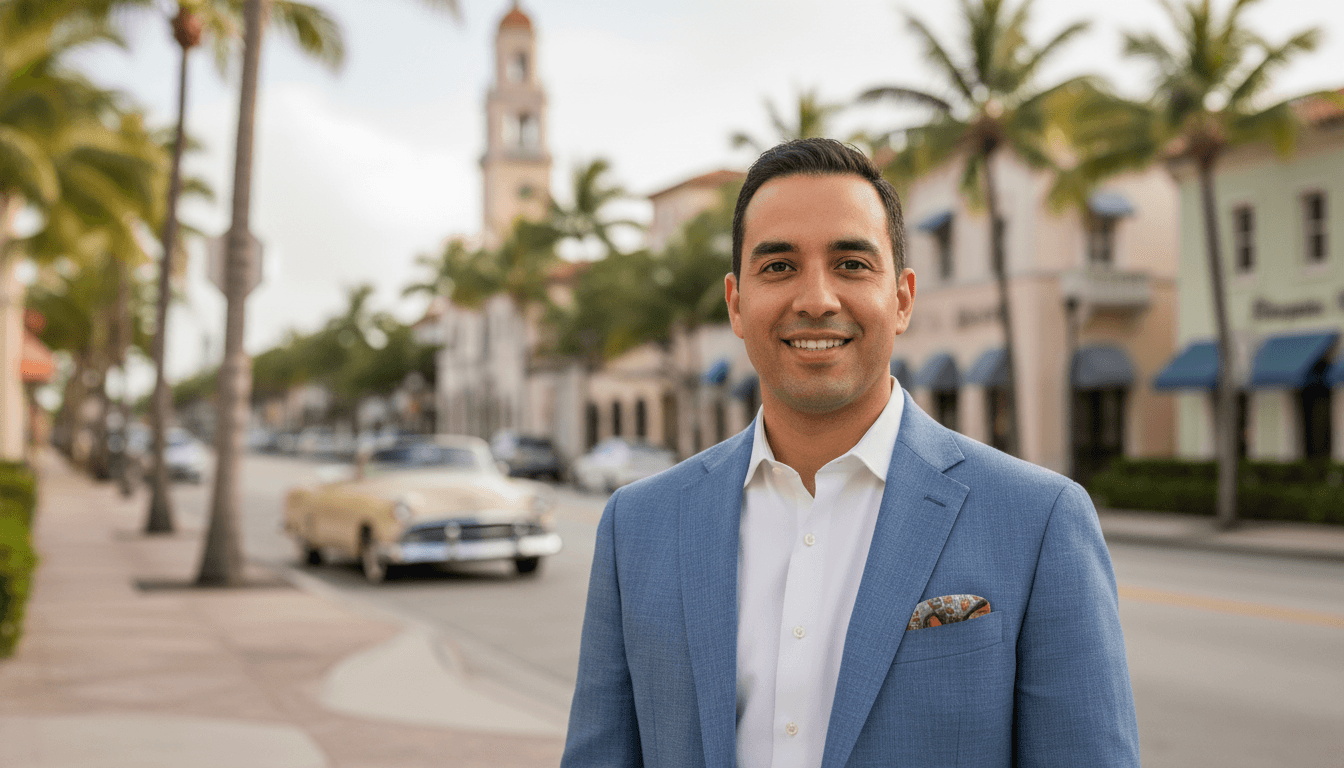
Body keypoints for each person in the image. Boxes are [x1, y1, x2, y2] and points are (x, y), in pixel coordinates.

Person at [561, 138, 1139, 768]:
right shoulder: (637, 527)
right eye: (778, 266)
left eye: (852, 264)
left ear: (902, 299)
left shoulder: (1039, 520)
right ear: (736, 303)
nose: (816, 299)